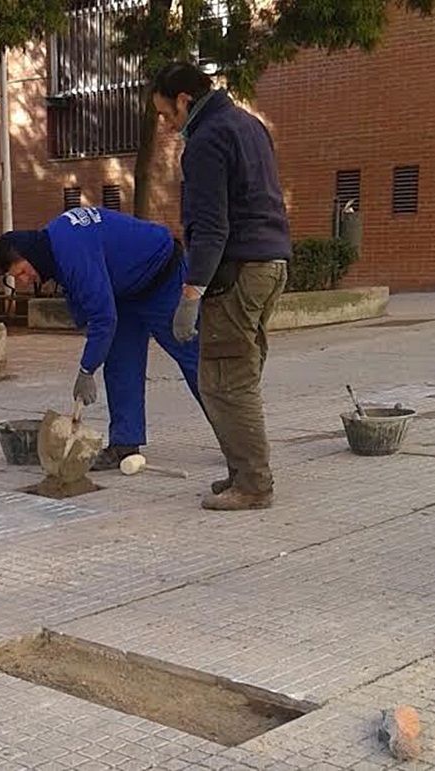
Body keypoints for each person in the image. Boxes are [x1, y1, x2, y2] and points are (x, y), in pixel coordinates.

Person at [151, 61, 292, 511]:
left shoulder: (207, 141)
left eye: (166, 115)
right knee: (238, 374)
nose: (167, 126)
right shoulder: (249, 125)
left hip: (239, 270)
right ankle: (240, 472)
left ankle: (253, 484)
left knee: (225, 381)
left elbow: (211, 227)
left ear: (184, 101)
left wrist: (191, 293)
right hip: (271, 264)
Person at [0, 206, 203, 471]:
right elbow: (82, 298)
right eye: (17, 278)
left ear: (30, 255)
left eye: (22, 271)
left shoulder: (70, 250)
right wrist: (89, 336)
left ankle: (238, 441)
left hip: (162, 277)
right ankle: (124, 444)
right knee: (120, 365)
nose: (24, 280)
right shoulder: (52, 247)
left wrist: (86, 369)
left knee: (195, 359)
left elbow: (104, 318)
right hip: (124, 291)